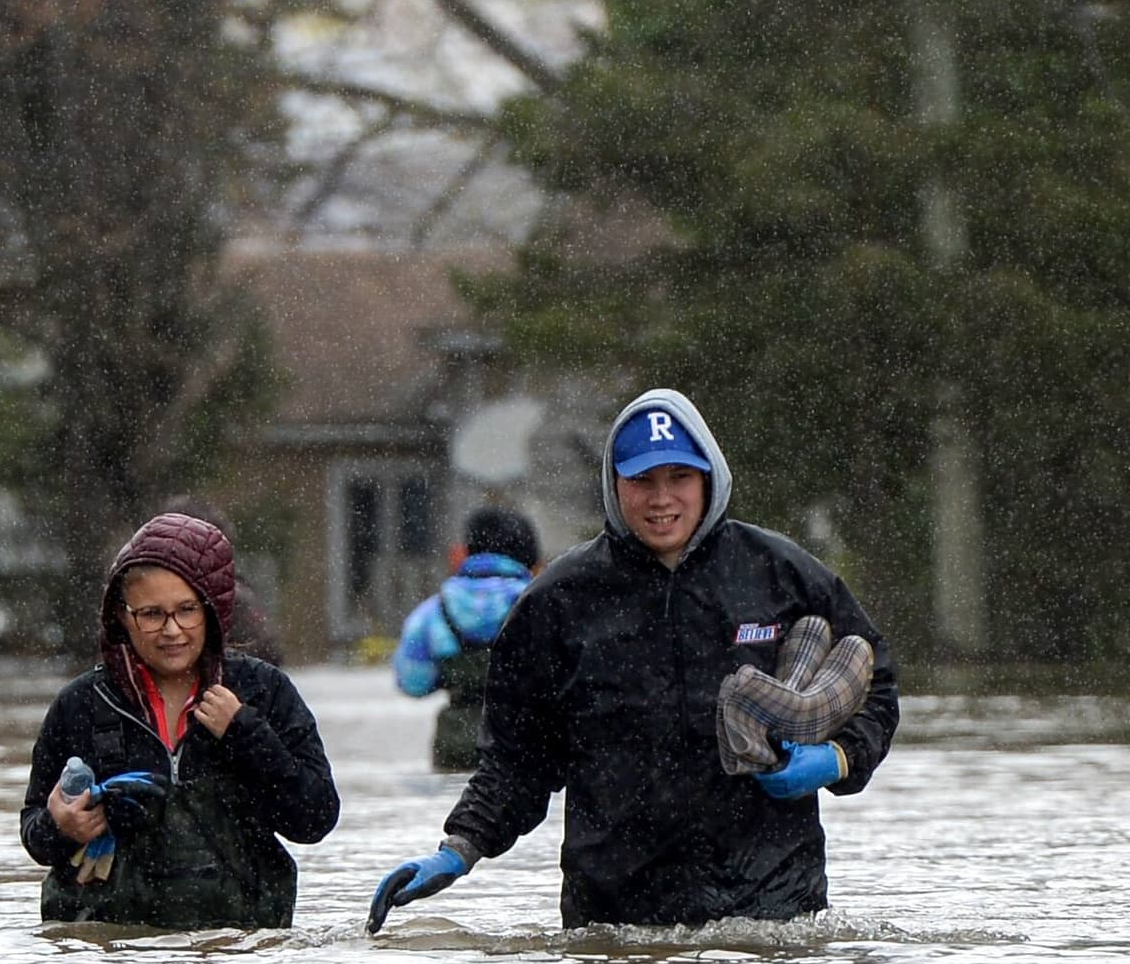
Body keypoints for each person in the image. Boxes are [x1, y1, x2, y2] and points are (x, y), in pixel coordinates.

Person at [368, 389, 895, 931]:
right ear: (613, 484)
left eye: (679, 478)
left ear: (709, 478)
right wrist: (458, 849)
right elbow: (515, 761)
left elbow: (876, 681)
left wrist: (839, 757)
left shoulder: (782, 574)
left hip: (776, 918)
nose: (661, 499)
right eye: (642, 480)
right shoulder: (557, 602)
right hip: (614, 926)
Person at [21, 512, 339, 930]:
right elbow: (35, 834)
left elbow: (315, 818)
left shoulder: (264, 691)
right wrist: (63, 826)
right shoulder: (80, 704)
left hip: (242, 951)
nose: (172, 631)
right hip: (111, 961)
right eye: (151, 614)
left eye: (186, 610)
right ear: (121, 616)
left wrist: (245, 733)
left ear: (211, 610)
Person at [390, 505, 543, 773]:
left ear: (463, 553)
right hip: (525, 745)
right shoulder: (545, 605)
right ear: (534, 561)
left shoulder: (431, 614)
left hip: (455, 747)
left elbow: (411, 683)